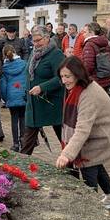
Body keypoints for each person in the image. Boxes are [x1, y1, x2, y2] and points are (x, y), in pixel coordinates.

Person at [55, 56, 110, 209]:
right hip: (96, 130)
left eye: (68, 76)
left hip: (104, 133)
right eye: (62, 76)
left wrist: (67, 154)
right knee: (95, 163)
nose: (64, 80)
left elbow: (82, 129)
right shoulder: (75, 89)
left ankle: (90, 210)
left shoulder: (88, 93)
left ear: (78, 74)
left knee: (88, 162)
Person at [21, 25, 66, 155]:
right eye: (33, 41)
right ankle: (18, 171)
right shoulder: (34, 52)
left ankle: (72, 170)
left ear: (47, 38)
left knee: (64, 140)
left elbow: (62, 78)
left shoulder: (56, 54)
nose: (35, 43)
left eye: (38, 40)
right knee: (27, 143)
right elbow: (29, 74)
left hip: (52, 104)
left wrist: (42, 87)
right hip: (34, 104)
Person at [0, 44, 27, 152]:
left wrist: (6, 99)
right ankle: (23, 141)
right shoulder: (24, 64)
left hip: (11, 96)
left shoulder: (4, 68)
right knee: (23, 118)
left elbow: (3, 86)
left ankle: (15, 144)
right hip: (23, 95)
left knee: (14, 119)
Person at [81, 22, 110, 91]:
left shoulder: (89, 45)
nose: (83, 34)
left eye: (85, 32)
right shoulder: (105, 43)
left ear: (91, 32)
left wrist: (82, 77)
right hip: (106, 80)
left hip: (95, 82)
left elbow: (88, 66)